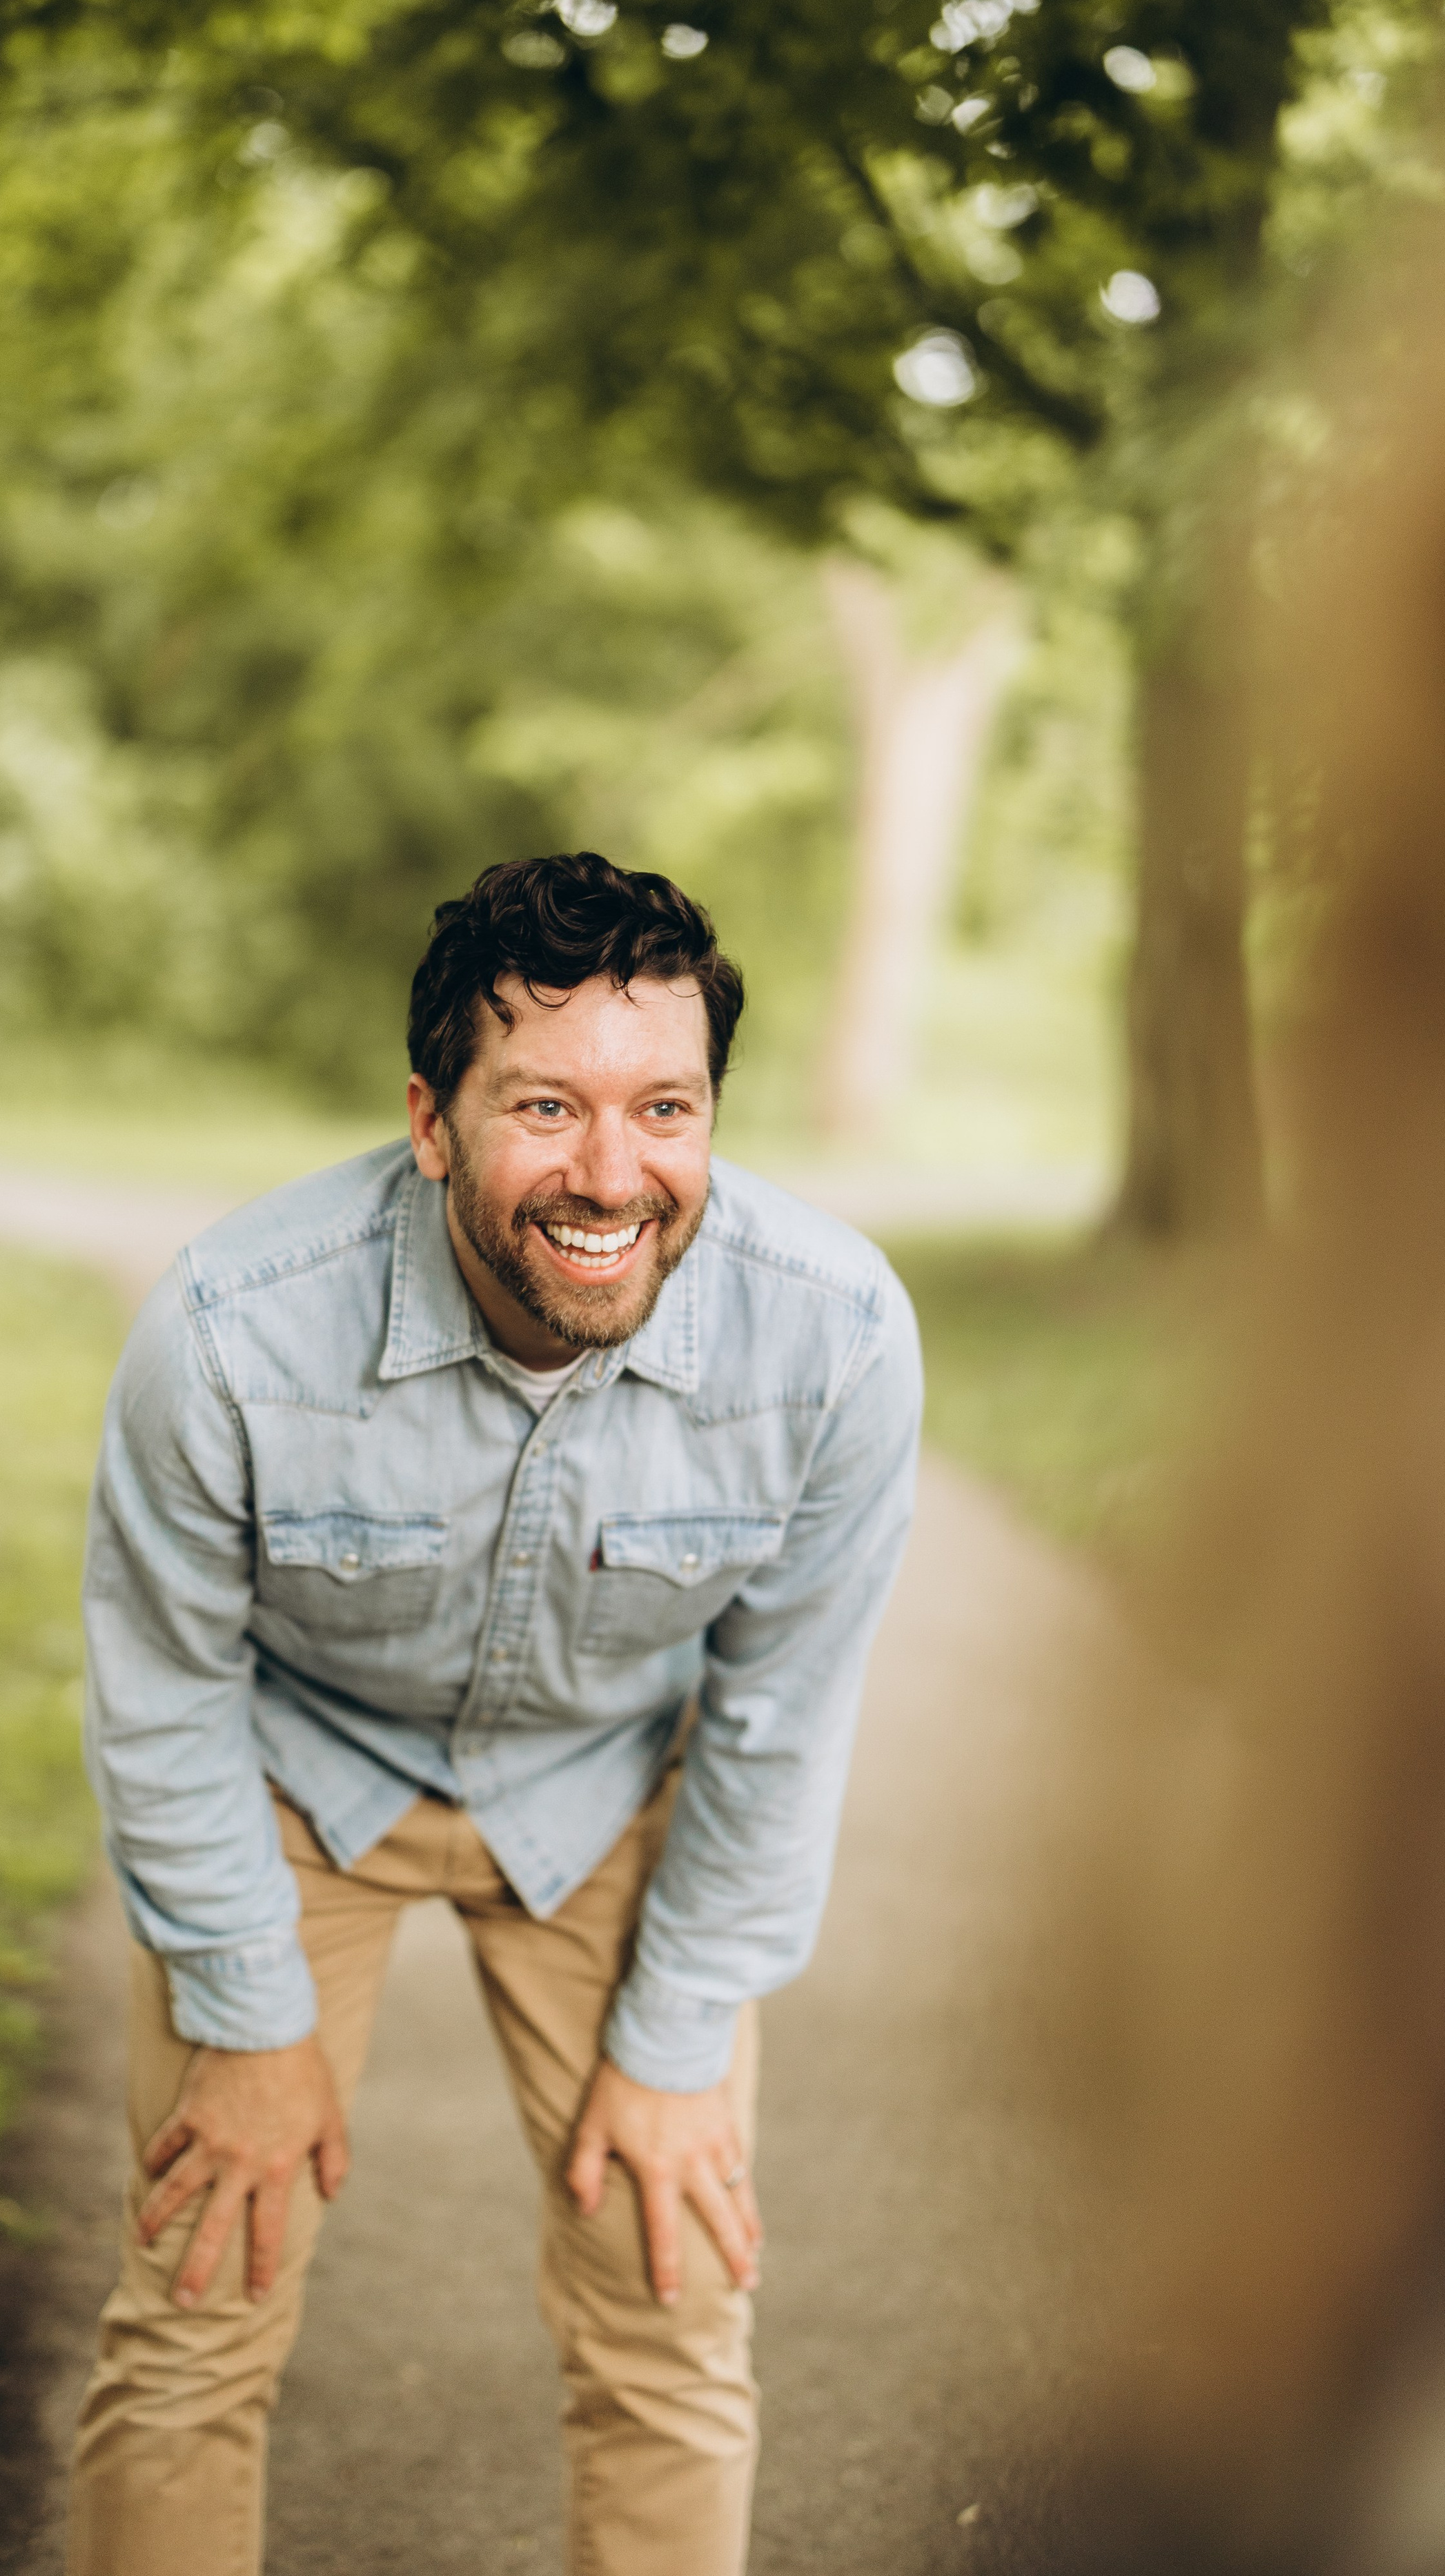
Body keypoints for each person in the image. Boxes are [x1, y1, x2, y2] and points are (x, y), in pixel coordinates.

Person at [67, 851, 921, 2576]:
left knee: (671, 2308)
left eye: (663, 1107)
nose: (611, 1174)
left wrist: (676, 2041)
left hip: (606, 1787)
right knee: (199, 2301)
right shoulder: (229, 1332)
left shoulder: (833, 1342)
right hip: (301, 1781)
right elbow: (162, 1683)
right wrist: (244, 2011)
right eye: (544, 1105)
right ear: (430, 1122)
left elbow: (778, 1712)